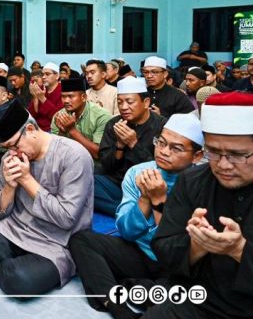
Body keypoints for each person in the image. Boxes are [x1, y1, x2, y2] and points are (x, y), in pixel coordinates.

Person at [148, 92, 253, 319]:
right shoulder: (192, 181)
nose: (224, 165)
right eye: (214, 152)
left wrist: (239, 250)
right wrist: (198, 245)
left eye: (237, 155)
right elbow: (164, 252)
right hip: (204, 302)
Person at [0, 99, 93, 296]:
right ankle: (8, 260)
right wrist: (9, 187)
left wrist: (26, 179)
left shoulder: (73, 155)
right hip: (13, 229)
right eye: (6, 148)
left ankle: (11, 264)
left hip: (56, 242)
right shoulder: (10, 157)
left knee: (19, 279)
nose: (11, 153)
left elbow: (66, 218)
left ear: (30, 129)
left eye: (14, 145)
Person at [70, 114, 204, 319]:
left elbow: (182, 248)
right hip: (142, 253)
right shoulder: (138, 173)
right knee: (83, 240)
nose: (164, 152)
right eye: (161, 143)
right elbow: (126, 231)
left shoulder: (201, 185)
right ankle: (119, 308)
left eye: (176, 148)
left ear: (196, 156)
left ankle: (137, 288)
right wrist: (144, 199)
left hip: (178, 267)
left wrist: (159, 199)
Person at [94, 77, 166, 216]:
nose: (124, 107)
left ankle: (129, 211)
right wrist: (120, 146)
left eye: (129, 102)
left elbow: (160, 169)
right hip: (117, 183)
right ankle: (127, 213)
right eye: (120, 102)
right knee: (88, 181)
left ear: (146, 102)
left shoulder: (162, 126)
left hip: (146, 186)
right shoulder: (114, 124)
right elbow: (106, 166)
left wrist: (133, 143)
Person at [51, 78, 112, 165]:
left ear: (84, 97)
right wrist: (62, 132)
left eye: (71, 96)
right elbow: (55, 150)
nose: (66, 101)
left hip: (94, 165)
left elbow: (98, 154)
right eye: (63, 97)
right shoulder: (59, 116)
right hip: (67, 162)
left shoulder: (101, 116)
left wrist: (72, 130)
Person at [30, 62, 63, 131]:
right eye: (42, 74)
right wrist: (35, 97)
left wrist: (42, 98)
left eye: (47, 74)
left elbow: (58, 117)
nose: (44, 77)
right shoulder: (41, 89)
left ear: (57, 76)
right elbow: (33, 115)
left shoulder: (63, 90)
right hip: (38, 128)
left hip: (54, 129)